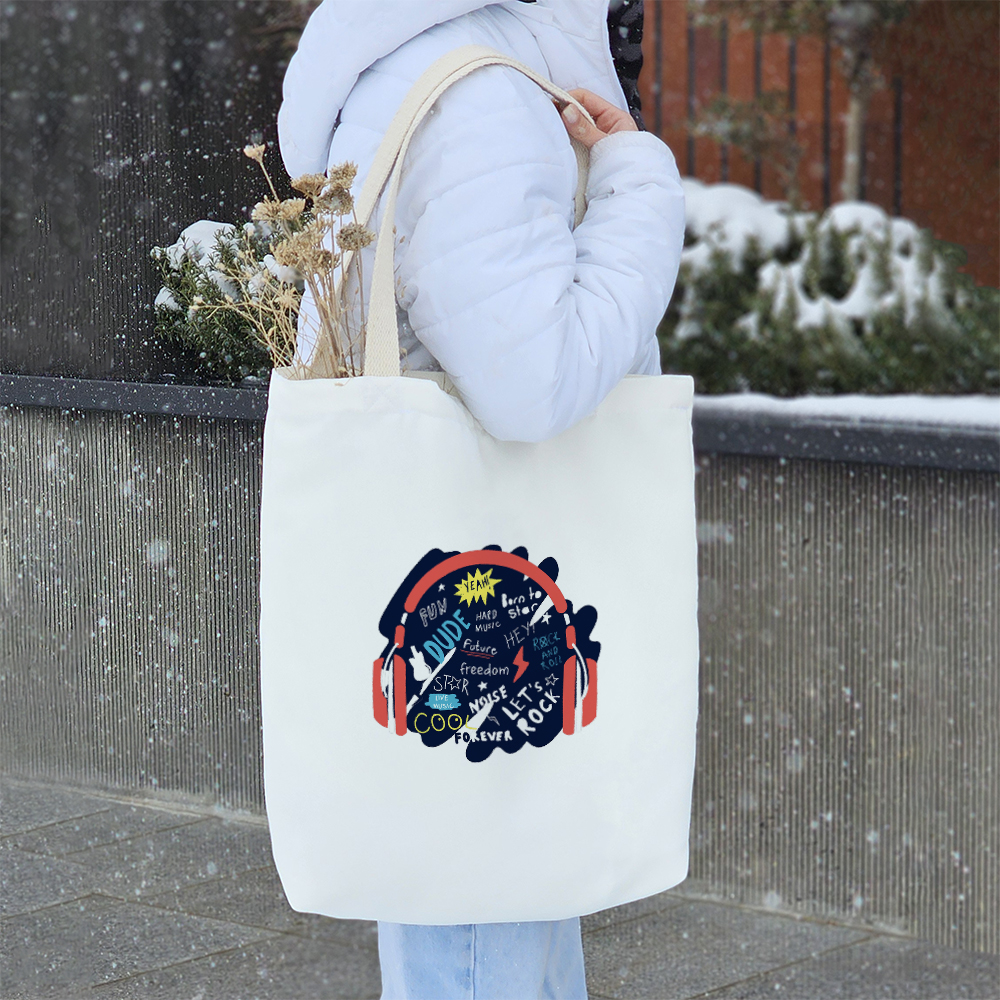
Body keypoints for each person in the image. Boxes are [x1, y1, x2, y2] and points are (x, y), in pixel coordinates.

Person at [278, 1, 685, 996]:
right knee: (483, 911)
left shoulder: (430, 60)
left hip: (460, 582)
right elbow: (532, 383)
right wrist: (637, 185)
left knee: (488, 884)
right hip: (488, 601)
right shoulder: (479, 95)